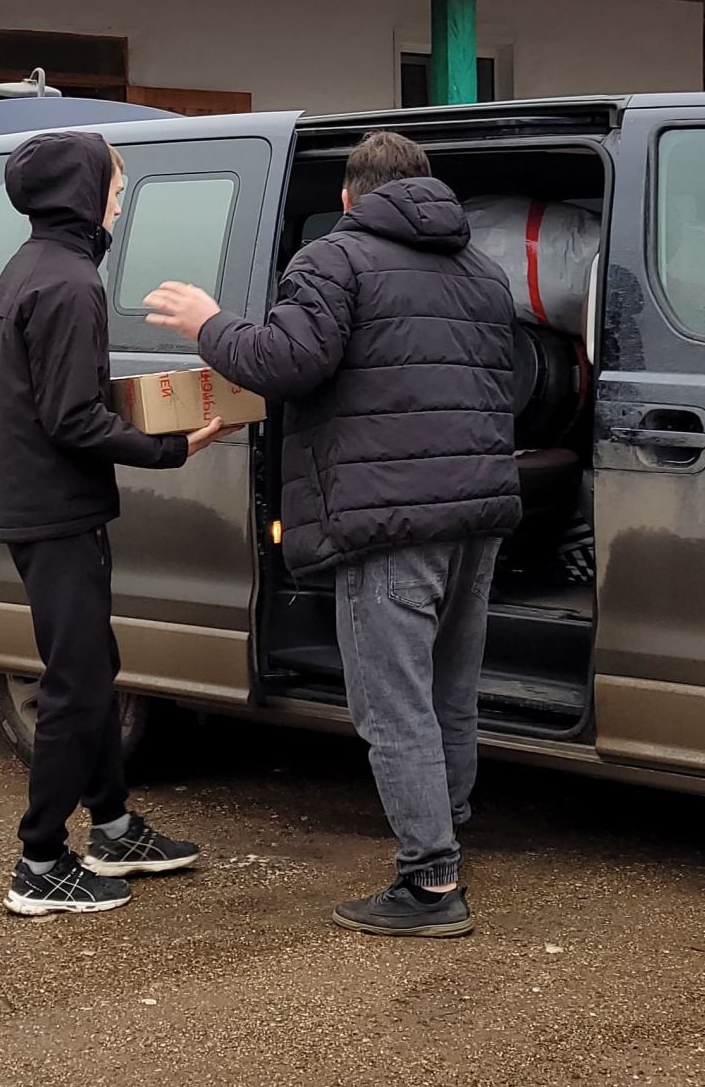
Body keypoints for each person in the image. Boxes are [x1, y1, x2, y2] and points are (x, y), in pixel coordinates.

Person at [146, 131, 520, 938]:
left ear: (351, 197)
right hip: (476, 514)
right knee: (447, 691)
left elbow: (286, 362)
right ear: (424, 190)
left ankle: (429, 884)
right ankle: (447, 827)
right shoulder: (485, 271)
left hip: (386, 519)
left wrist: (209, 324)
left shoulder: (334, 257)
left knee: (394, 707)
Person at [0, 130, 224, 917]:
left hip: (45, 505)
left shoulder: (33, 268)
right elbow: (71, 417)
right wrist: (169, 445)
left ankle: (115, 827)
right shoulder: (69, 282)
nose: (121, 202)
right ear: (81, 193)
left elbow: (62, 396)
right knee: (76, 684)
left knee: (93, 666)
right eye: (116, 188)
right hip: (56, 510)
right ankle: (41, 862)